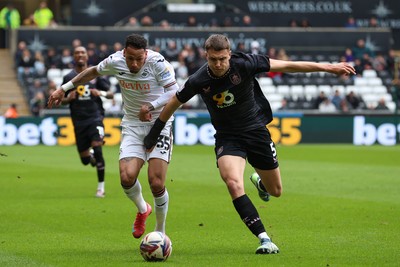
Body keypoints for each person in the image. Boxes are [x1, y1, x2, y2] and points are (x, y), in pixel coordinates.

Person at [142, 34, 356, 254]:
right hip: (228, 137)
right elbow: (173, 103)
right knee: (233, 183)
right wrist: (154, 134)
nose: (218, 64)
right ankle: (264, 238)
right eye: (213, 59)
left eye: (222, 59)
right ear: (206, 56)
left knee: (276, 190)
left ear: (229, 55)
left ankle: (261, 183)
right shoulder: (199, 80)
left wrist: (329, 68)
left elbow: (288, 66)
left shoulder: (245, 63)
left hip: (256, 132)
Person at [47, 34, 179, 239]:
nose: (134, 63)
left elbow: (174, 92)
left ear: (146, 54)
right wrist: (62, 89)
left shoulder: (159, 63)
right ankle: (143, 209)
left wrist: (151, 106)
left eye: (139, 59)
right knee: (126, 178)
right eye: (130, 58)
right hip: (133, 125)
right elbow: (91, 72)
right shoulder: (115, 60)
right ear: (124, 53)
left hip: (159, 123)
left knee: (156, 182)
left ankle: (160, 231)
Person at [60, 46, 114, 197]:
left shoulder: (96, 74)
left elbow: (110, 95)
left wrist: (101, 92)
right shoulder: (68, 77)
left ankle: (101, 188)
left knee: (98, 147)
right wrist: (67, 99)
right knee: (85, 161)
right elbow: (61, 99)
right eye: (77, 53)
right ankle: (89, 156)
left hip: (95, 117)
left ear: (87, 56)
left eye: (82, 52)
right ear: (73, 56)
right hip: (78, 121)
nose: (80, 55)